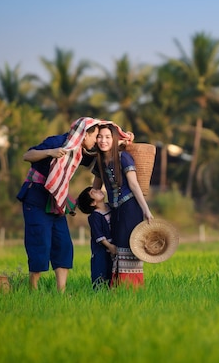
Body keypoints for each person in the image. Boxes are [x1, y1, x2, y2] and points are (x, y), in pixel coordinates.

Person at [16, 117, 101, 293]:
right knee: (40, 243)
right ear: (85, 135)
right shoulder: (57, 142)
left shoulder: (81, 150)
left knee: (63, 245)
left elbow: (103, 149)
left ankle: (61, 292)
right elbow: (27, 155)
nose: (97, 141)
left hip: (56, 201)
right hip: (37, 198)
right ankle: (33, 290)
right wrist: (51, 152)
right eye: (95, 136)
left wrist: (124, 140)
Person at [92, 123, 153, 288]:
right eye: (100, 136)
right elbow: (95, 188)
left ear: (114, 140)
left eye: (107, 137)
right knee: (117, 247)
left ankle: (131, 288)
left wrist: (146, 210)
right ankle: (116, 286)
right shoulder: (99, 161)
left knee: (129, 246)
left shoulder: (123, 157)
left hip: (130, 208)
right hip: (114, 210)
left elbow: (133, 185)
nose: (103, 140)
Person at [77, 186, 116, 289]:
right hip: (101, 249)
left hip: (113, 245)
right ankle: (99, 291)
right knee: (100, 269)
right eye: (94, 193)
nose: (98, 190)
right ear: (93, 203)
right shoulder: (95, 216)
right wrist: (109, 246)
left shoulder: (110, 207)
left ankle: (112, 289)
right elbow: (99, 235)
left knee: (112, 269)